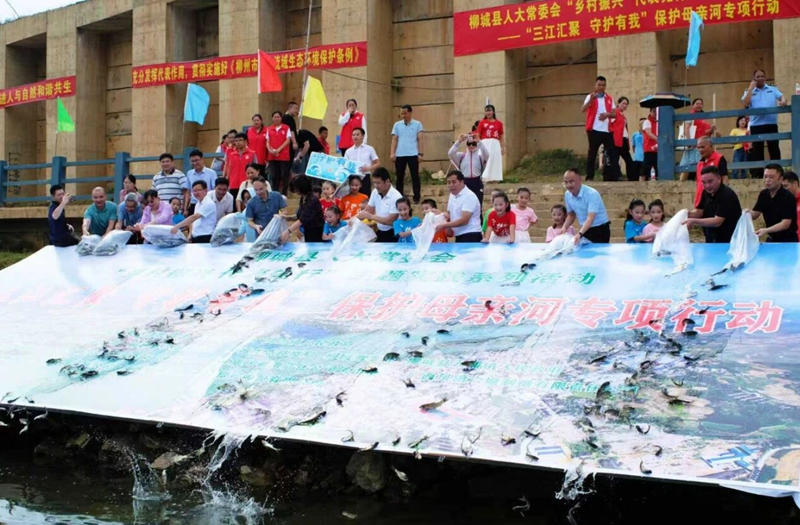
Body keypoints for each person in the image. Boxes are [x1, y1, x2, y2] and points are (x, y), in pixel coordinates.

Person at [742, 69, 787, 178]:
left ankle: (778, 173)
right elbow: (745, 103)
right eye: (758, 76)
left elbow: (781, 96)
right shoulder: (749, 90)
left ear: (765, 77)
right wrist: (750, 89)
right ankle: (758, 175)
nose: (760, 78)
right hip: (756, 125)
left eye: (762, 76)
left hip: (771, 124)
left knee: (774, 148)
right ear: (754, 78)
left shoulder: (772, 89)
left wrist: (783, 100)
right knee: (757, 151)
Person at [685, 166, 742, 243]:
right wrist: (686, 214)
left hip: (729, 241)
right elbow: (699, 212)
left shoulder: (727, 195)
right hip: (711, 239)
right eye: (704, 182)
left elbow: (717, 222)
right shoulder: (705, 193)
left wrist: (693, 221)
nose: (707, 186)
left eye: (710, 181)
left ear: (719, 178)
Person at [746, 164, 798, 242]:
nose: (767, 180)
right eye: (765, 176)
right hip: (772, 238)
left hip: (788, 240)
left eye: (771, 177)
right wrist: (747, 213)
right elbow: (756, 213)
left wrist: (766, 230)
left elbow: (785, 224)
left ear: (780, 179)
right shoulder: (764, 194)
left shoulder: (788, 196)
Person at [582, 76, 618, 181]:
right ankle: (590, 176)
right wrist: (591, 100)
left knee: (612, 153)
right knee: (592, 153)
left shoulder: (609, 98)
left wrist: (607, 115)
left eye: (603, 85)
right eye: (599, 85)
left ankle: (613, 176)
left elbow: (615, 114)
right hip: (594, 129)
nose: (601, 87)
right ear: (595, 86)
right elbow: (583, 109)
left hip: (607, 130)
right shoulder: (590, 96)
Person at [561, 168, 611, 244]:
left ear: (580, 180)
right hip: (584, 228)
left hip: (599, 228)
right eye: (566, 182)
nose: (568, 185)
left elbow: (591, 217)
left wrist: (580, 233)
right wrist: (564, 227)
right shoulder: (567, 194)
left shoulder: (592, 194)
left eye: (571, 182)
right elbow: (571, 214)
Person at [357, 168, 402, 243]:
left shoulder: (396, 196)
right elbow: (368, 210)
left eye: (378, 183)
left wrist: (371, 216)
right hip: (381, 231)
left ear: (387, 181)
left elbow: (391, 221)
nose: (376, 186)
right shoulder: (375, 192)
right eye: (374, 183)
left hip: (394, 233)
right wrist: (354, 220)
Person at [436, 171, 482, 243]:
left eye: (454, 182)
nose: (451, 185)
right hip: (459, 235)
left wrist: (444, 225)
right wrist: (440, 214)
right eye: (448, 182)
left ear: (462, 182)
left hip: (471, 234)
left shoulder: (469, 196)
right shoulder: (452, 195)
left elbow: (464, 220)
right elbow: (449, 214)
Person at [391, 104, 424, 203]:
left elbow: (420, 139)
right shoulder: (397, 125)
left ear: (410, 112)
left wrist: (420, 153)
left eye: (405, 113)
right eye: (402, 114)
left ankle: (417, 197)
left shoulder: (417, 124)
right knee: (399, 176)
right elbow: (394, 139)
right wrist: (392, 153)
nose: (403, 116)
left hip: (413, 153)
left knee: (415, 176)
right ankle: (399, 197)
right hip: (400, 154)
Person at [679, 98, 718, 180]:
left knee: (698, 165)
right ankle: (681, 182)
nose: (699, 105)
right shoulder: (690, 115)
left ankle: (697, 181)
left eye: (701, 104)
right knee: (687, 165)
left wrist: (711, 130)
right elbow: (687, 128)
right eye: (697, 103)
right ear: (693, 105)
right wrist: (689, 141)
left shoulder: (702, 119)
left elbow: (703, 132)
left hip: (699, 144)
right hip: (692, 145)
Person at [448, 134, 489, 207]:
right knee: (465, 205)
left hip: (477, 182)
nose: (471, 146)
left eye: (473, 144)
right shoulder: (461, 156)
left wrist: (479, 142)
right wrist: (459, 141)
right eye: (469, 144)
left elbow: (487, 154)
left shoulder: (480, 158)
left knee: (478, 205)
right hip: (465, 182)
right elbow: (450, 154)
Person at [282, 174, 324, 243]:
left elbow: (303, 219)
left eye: (297, 188)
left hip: (315, 232)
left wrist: (288, 231)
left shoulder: (312, 200)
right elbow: (300, 215)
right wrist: (288, 217)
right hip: (307, 231)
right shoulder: (303, 198)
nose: (295, 190)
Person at [694, 137, 729, 208]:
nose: (700, 150)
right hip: (701, 201)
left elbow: (725, 179)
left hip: (715, 200)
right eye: (698, 147)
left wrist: (722, 196)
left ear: (711, 146)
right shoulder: (699, 163)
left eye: (702, 147)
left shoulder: (719, 159)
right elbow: (699, 184)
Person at [344, 127, 379, 196]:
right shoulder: (348, 151)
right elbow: (345, 165)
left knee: (365, 197)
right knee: (353, 197)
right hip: (353, 177)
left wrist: (368, 168)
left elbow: (377, 163)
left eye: (357, 134)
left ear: (363, 136)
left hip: (365, 176)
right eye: (353, 135)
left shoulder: (369, 149)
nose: (355, 137)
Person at [224, 132, 257, 200]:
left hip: (247, 185)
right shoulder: (232, 155)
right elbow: (229, 169)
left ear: (245, 141)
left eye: (240, 140)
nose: (238, 142)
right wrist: (228, 181)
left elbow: (255, 170)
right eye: (236, 141)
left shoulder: (252, 154)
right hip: (233, 184)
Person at [476, 104, 505, 183]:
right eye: (486, 111)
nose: (488, 113)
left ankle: (495, 179)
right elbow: (478, 135)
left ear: (493, 112)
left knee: (495, 160)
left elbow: (501, 136)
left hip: (495, 144)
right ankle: (484, 178)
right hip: (485, 143)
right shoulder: (482, 122)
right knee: (484, 160)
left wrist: (502, 147)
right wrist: (478, 145)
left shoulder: (499, 123)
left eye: (490, 111)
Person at [610, 96, 635, 182]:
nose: (625, 106)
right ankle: (616, 176)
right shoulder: (614, 112)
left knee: (628, 159)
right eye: (623, 103)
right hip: (616, 139)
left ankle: (631, 177)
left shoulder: (622, 115)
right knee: (615, 159)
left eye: (626, 104)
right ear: (618, 103)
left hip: (623, 139)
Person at [186, 149, 218, 215]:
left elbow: (215, 190)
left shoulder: (211, 173)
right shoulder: (189, 173)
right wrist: (185, 208)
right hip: (194, 204)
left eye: (196, 160)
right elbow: (188, 192)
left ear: (202, 159)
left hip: (206, 203)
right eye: (192, 161)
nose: (194, 163)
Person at [267, 111, 292, 195]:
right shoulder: (269, 129)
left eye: (278, 117)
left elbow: (288, 140)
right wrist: (270, 149)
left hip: (283, 156)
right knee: (274, 175)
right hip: (272, 156)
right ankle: (275, 193)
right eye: (275, 117)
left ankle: (284, 193)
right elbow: (267, 141)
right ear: (272, 118)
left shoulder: (286, 128)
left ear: (281, 118)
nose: (276, 119)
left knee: (284, 175)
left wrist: (279, 149)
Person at [729, 116, 750, 180]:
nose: (743, 122)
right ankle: (734, 179)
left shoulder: (748, 130)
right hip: (738, 149)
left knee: (745, 166)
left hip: (746, 150)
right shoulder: (734, 130)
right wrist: (740, 142)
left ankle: (744, 179)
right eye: (741, 120)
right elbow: (730, 140)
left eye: (744, 120)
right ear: (738, 122)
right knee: (736, 165)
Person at [641, 108, 658, 181]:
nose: (655, 113)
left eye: (656, 111)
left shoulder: (658, 122)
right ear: (650, 112)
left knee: (656, 168)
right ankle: (641, 184)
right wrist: (658, 140)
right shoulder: (647, 121)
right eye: (653, 111)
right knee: (645, 168)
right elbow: (648, 133)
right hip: (649, 148)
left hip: (657, 149)